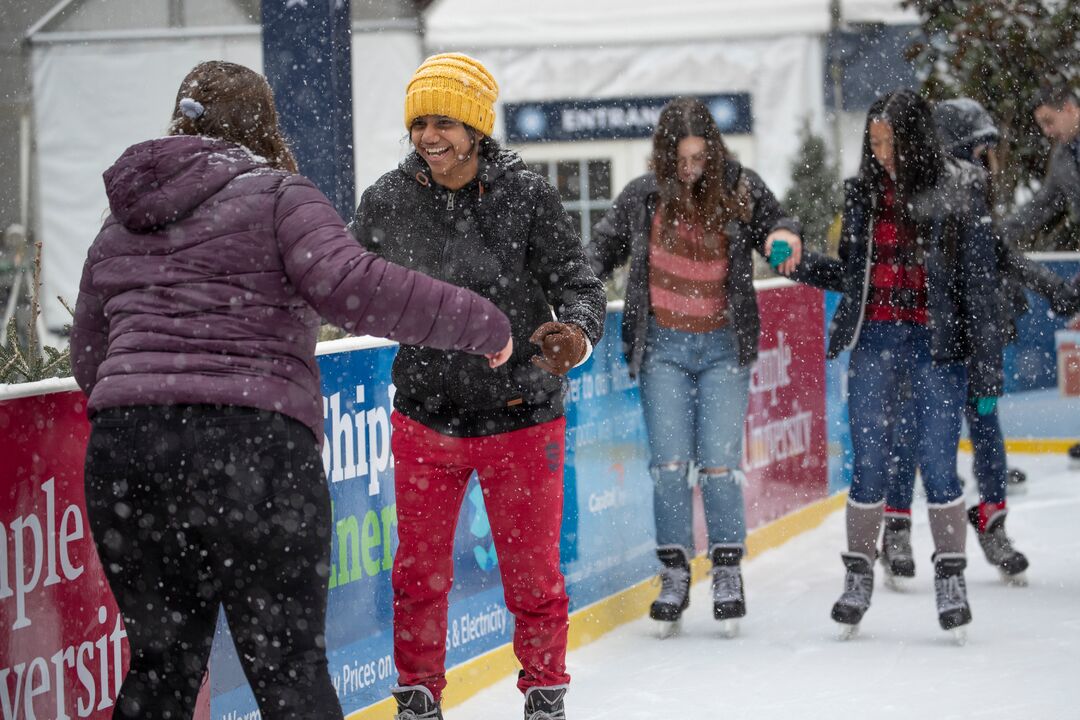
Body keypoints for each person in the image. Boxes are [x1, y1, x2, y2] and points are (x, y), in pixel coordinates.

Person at [70, 60, 512, 720]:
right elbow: (355, 287)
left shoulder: (121, 222)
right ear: (263, 124)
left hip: (132, 452)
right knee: (286, 667)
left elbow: (90, 356)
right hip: (252, 451)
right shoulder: (279, 195)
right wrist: (481, 321)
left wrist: (156, 393)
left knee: (162, 665)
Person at [349, 53, 605, 720]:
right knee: (417, 577)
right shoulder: (387, 200)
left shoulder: (528, 196)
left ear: (477, 127)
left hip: (521, 417)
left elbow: (580, 286)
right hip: (426, 419)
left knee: (533, 578)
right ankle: (416, 699)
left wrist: (574, 337)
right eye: (418, 124)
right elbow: (343, 285)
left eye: (445, 123)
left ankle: (545, 694)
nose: (430, 137)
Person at [788, 89, 1004, 639]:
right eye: (875, 143)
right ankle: (858, 575)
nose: (882, 153)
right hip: (875, 340)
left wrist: (984, 370)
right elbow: (852, 275)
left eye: (891, 142)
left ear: (916, 138)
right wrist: (801, 264)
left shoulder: (963, 186)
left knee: (937, 462)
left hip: (937, 346)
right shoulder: (862, 193)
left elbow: (977, 287)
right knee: (870, 463)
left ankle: (949, 578)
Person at [586, 96, 803, 636]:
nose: (690, 168)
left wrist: (782, 235)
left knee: (720, 466)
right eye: (681, 158)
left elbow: (778, 221)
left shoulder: (737, 188)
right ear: (664, 155)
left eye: (700, 157)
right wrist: (568, 284)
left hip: (722, 348)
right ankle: (674, 573)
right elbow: (600, 250)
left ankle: (726, 570)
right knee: (667, 466)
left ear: (714, 151)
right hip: (662, 348)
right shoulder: (643, 197)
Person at [878, 98, 1080, 587]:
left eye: (987, 152)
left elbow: (1003, 257)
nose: (985, 163)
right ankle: (898, 525)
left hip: (980, 342)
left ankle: (992, 521)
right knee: (911, 429)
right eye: (976, 152)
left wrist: (1062, 293)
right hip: (928, 341)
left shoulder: (978, 203)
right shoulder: (923, 204)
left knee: (986, 423)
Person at [1001, 82, 1080, 468]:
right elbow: (1046, 202)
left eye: (1050, 121)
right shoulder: (1064, 156)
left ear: (1069, 107)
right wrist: (998, 236)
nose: (1047, 131)